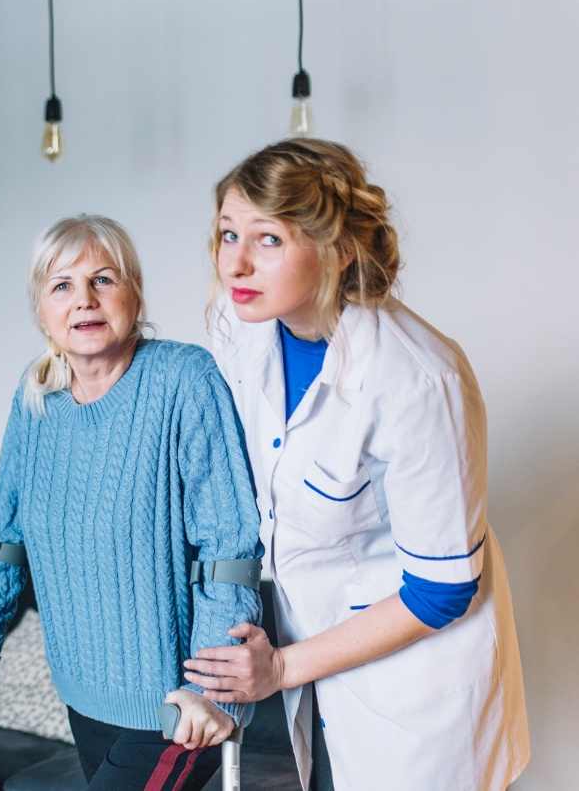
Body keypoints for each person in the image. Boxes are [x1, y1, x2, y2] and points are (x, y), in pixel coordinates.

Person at [184, 139, 529, 790]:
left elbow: (441, 590)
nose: (237, 262)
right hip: (316, 666)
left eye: (269, 239)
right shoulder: (240, 331)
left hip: (419, 695)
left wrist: (282, 669)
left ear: (338, 248)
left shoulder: (420, 378)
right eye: (228, 234)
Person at [0, 215, 264, 791]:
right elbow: (5, 533)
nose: (84, 299)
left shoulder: (184, 379)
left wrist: (211, 690)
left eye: (103, 280)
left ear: (134, 294)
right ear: (41, 309)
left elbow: (227, 547)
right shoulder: (35, 400)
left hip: (178, 706)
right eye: (62, 285)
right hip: (83, 693)